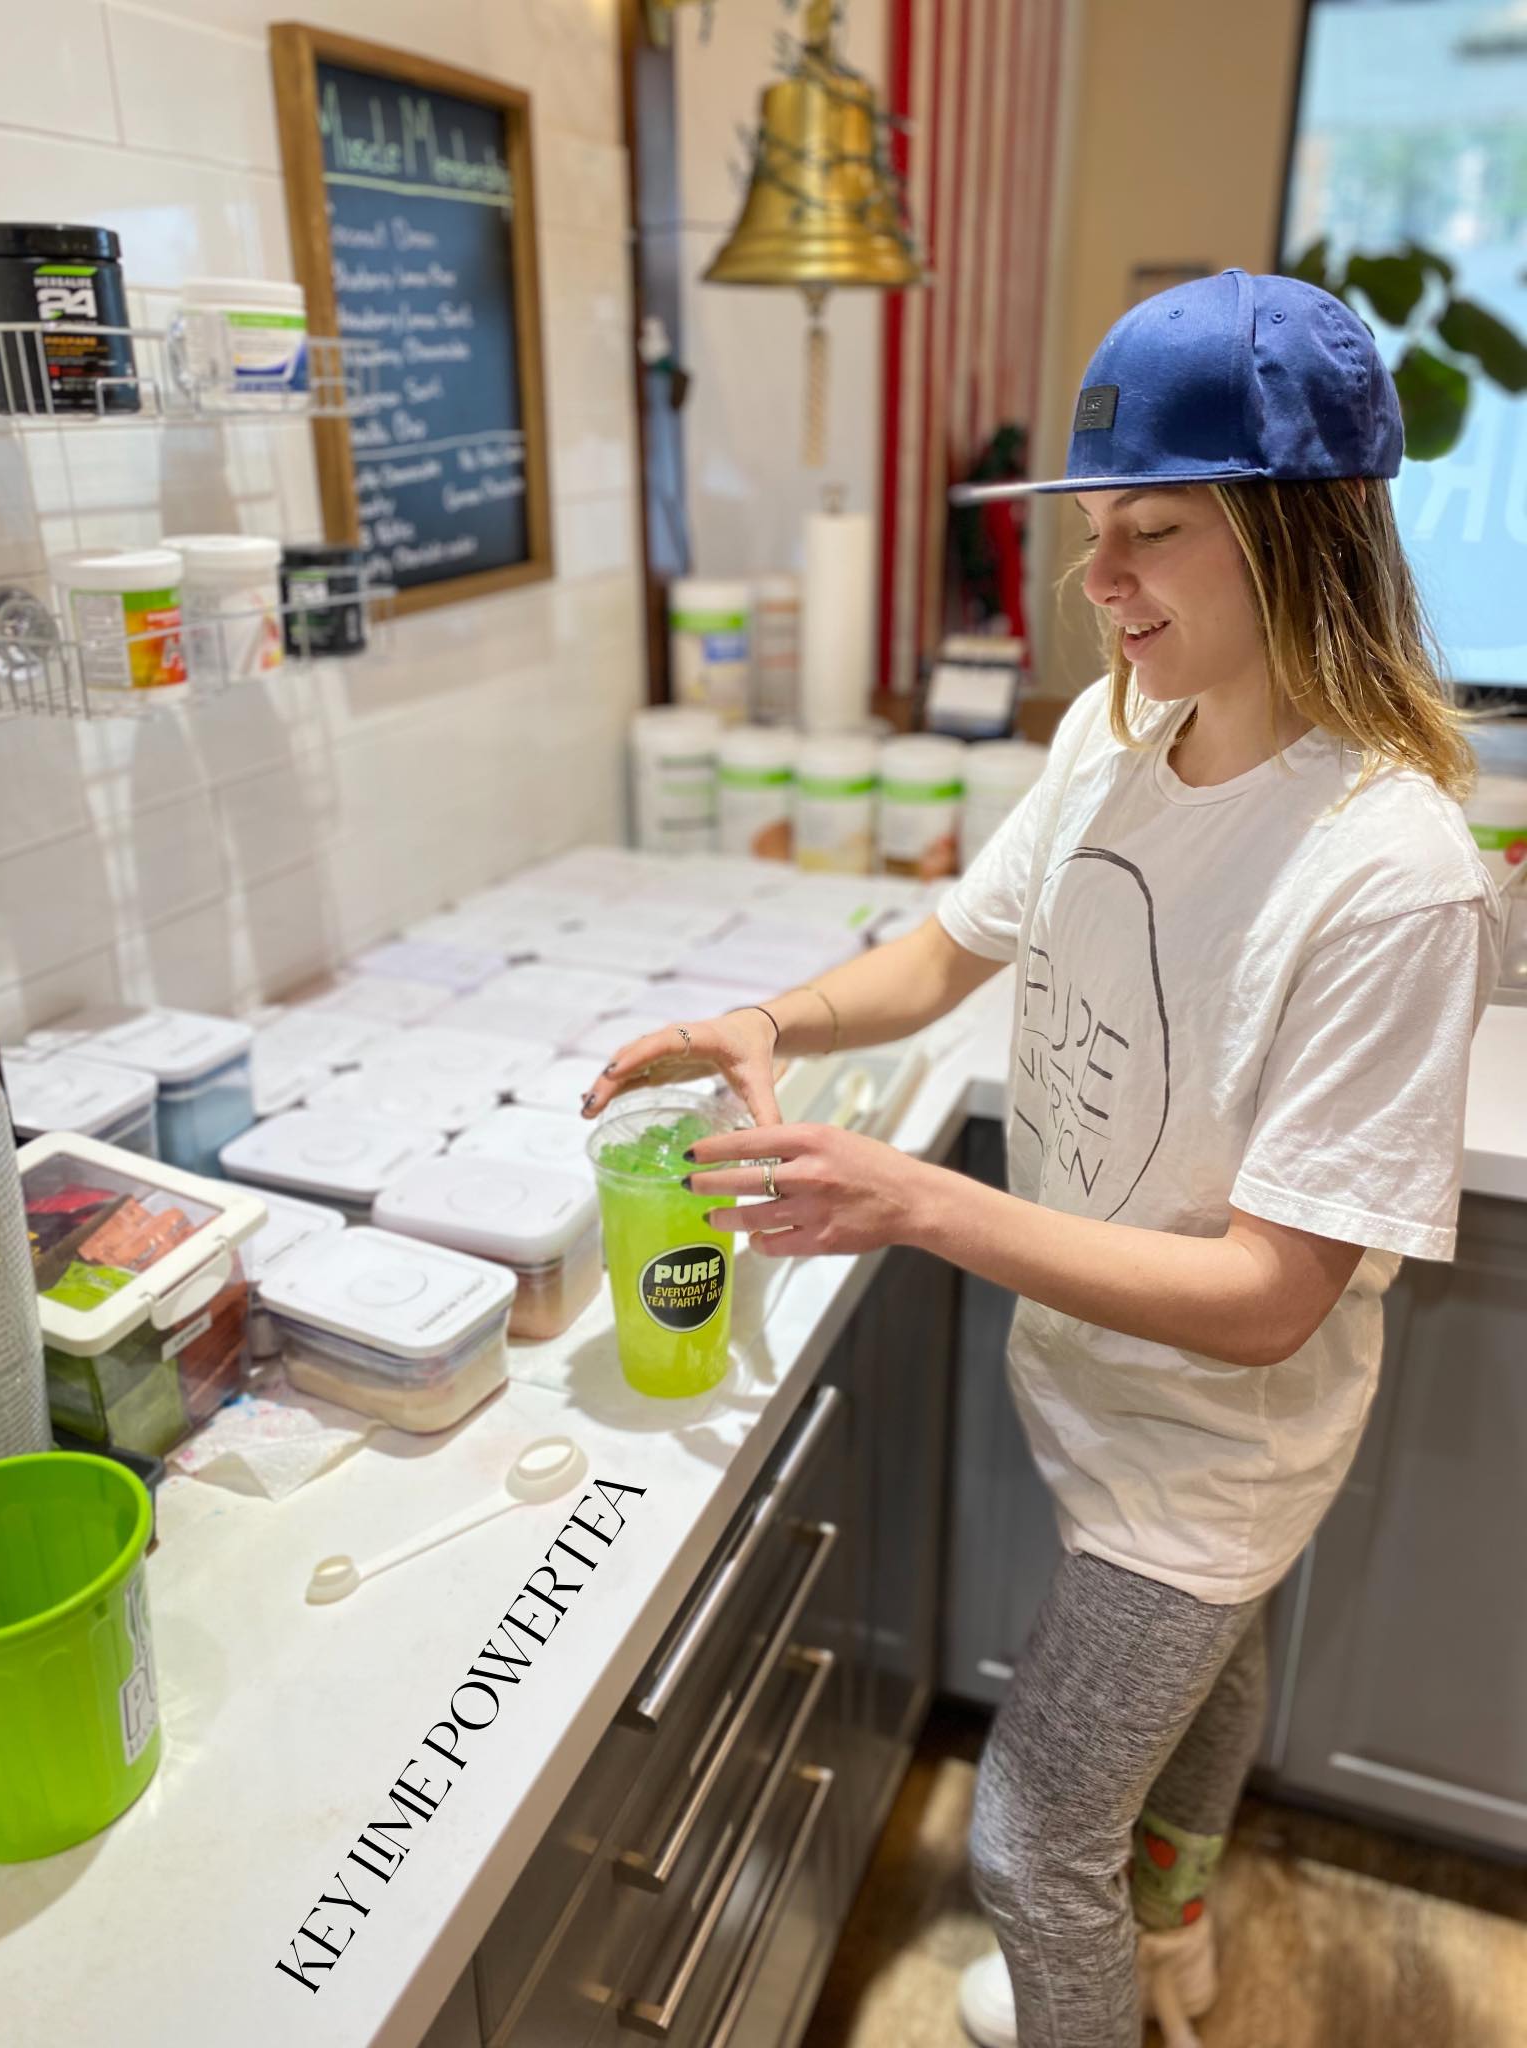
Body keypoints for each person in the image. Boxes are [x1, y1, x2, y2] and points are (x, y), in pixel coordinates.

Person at [581, 269, 1504, 2048]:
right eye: (1093, 534)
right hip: (1095, 1389)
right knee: (1210, 1684)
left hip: (1214, 1454)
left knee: (1026, 1838)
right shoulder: (1113, 737)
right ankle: (1177, 1944)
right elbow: (950, 951)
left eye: (1152, 533)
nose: (1099, 581)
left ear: (1304, 536)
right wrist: (771, 1017)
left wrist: (916, 1203)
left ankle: (1119, 1967)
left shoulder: (1391, 876)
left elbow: (1270, 1298)